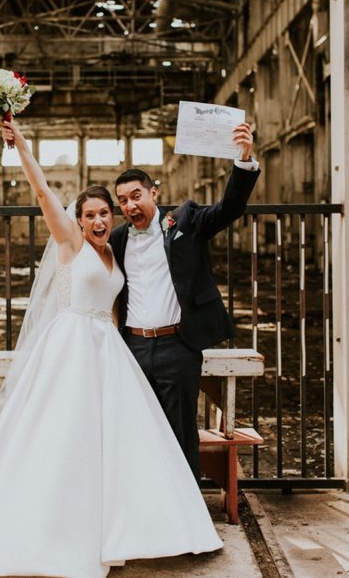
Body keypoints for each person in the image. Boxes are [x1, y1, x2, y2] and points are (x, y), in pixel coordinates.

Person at [0, 119, 222, 578]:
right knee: (62, 438)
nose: (99, 220)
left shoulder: (114, 251)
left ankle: (122, 526)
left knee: (118, 443)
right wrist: (22, 145)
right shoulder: (71, 244)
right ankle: (54, 528)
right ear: (78, 219)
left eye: (105, 213)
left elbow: (119, 304)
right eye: (91, 213)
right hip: (72, 348)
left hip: (109, 351)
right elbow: (42, 195)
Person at [109, 123, 259, 480]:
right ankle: (143, 505)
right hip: (132, 347)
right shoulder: (115, 239)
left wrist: (244, 159)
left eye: (136, 195)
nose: (130, 205)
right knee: (135, 432)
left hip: (178, 344)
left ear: (154, 193)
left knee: (179, 434)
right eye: (123, 201)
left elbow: (230, 208)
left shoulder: (186, 221)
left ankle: (187, 513)